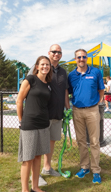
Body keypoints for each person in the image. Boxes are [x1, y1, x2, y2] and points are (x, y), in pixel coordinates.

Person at [27, 44, 70, 186]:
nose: (56, 54)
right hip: (42, 114)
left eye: (59, 52)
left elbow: (64, 91)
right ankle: (35, 175)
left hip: (57, 114)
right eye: (54, 52)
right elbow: (29, 88)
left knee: (51, 142)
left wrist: (67, 109)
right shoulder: (40, 67)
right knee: (37, 146)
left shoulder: (64, 72)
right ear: (48, 53)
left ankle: (47, 168)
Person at [68, 49, 105, 184]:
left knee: (95, 141)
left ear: (87, 58)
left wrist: (98, 102)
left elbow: (101, 90)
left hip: (92, 111)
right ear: (75, 59)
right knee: (81, 141)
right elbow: (70, 92)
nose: (81, 59)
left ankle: (96, 170)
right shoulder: (71, 75)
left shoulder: (95, 72)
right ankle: (85, 167)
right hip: (77, 111)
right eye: (79, 57)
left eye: (83, 57)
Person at [16, 56, 52, 192]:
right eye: (42, 64)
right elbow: (19, 101)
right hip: (29, 124)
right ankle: (25, 190)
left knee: (37, 157)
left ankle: (35, 187)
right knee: (28, 158)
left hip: (43, 124)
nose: (45, 67)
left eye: (47, 65)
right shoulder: (30, 79)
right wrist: (21, 120)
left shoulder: (47, 84)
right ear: (37, 66)